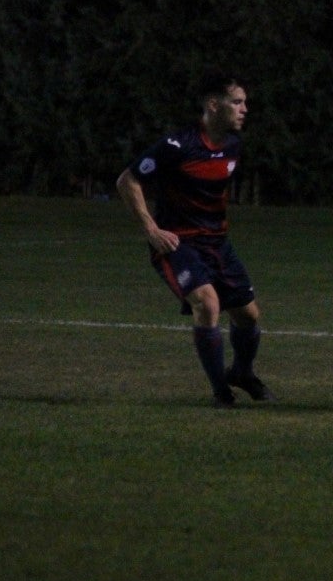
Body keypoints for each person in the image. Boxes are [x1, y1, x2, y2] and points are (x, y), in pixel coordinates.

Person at [115, 70, 274, 408]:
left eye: (245, 102)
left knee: (248, 316)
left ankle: (241, 373)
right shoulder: (178, 145)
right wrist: (151, 229)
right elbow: (127, 180)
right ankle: (221, 392)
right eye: (237, 102)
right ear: (214, 105)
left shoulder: (233, 144)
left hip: (218, 244)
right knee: (208, 303)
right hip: (178, 243)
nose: (245, 108)